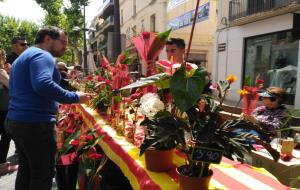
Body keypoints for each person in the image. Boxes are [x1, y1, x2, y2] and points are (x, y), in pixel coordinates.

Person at [5, 26, 92, 190]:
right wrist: (75, 97)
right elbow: (43, 84)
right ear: (47, 39)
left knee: (27, 170)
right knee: (42, 174)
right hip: (35, 124)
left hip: (18, 121)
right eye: (63, 42)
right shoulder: (42, 55)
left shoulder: (25, 56)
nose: (65, 47)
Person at [0, 48, 18, 175]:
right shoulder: (1, 72)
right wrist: (10, 72)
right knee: (6, 137)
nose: (5, 58)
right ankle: (2, 165)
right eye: (3, 55)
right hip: (4, 109)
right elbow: (13, 87)